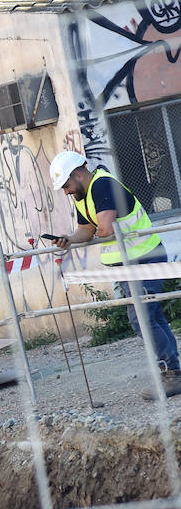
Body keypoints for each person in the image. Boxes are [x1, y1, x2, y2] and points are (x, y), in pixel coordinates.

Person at [50, 150, 181, 400]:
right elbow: (87, 231)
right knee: (150, 317)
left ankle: (172, 373)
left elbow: (105, 227)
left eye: (66, 185)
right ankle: (173, 371)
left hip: (144, 257)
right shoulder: (83, 194)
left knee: (141, 317)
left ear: (78, 174)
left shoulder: (103, 185)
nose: (66, 191)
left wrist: (98, 229)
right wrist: (68, 239)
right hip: (128, 264)